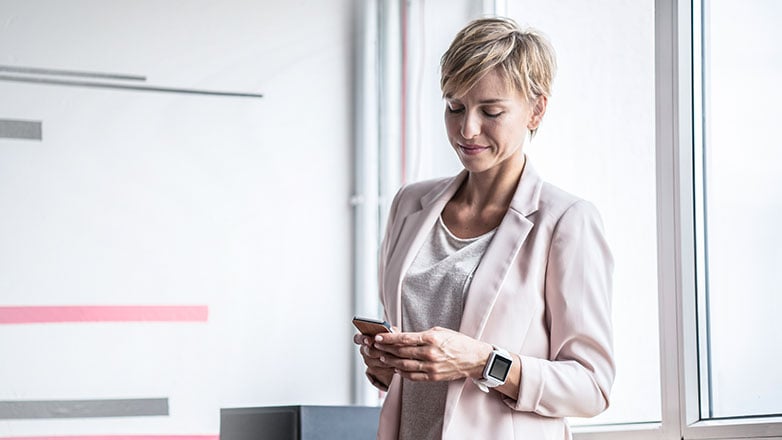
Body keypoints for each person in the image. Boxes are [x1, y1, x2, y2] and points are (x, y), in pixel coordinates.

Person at [354, 17, 614, 440]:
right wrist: (388, 366)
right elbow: (416, 374)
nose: (466, 129)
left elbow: (592, 387)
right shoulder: (409, 205)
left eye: (491, 111)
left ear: (536, 109)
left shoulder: (566, 221)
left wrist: (481, 361)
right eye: (454, 107)